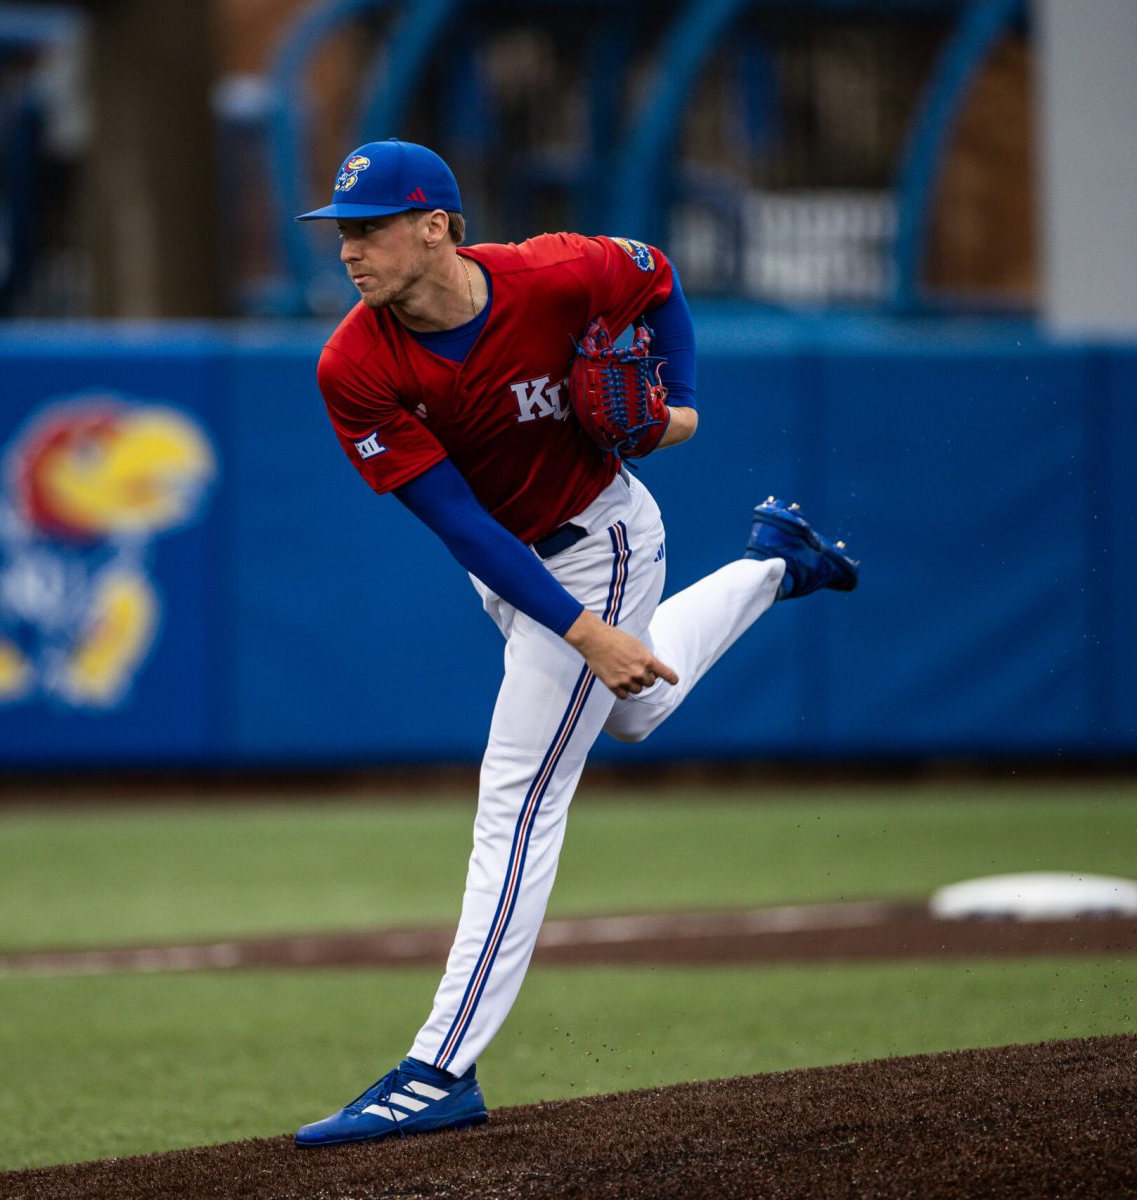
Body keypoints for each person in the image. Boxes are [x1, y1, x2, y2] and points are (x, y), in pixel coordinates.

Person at [292, 139, 859, 1147]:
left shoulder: (553, 272)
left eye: (370, 228)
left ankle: (438, 1069)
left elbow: (659, 276)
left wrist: (681, 409)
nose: (349, 250)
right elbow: (461, 526)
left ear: (436, 226)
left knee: (517, 798)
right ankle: (775, 564)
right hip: (509, 563)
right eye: (343, 232)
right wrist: (589, 635)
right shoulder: (355, 364)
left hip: (605, 537)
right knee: (636, 710)